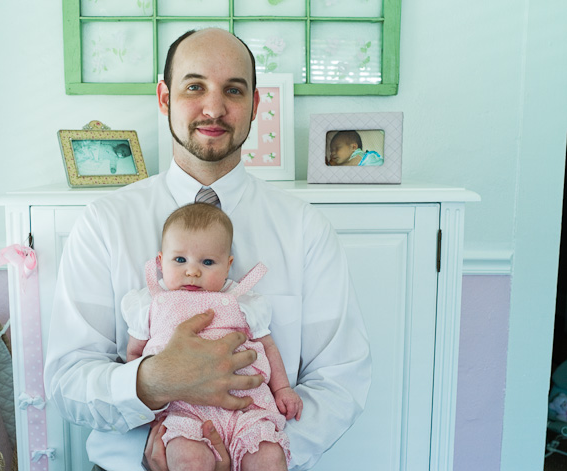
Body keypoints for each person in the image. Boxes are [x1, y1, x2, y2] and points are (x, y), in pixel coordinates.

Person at [44, 27, 371, 471]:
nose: (214, 108)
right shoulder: (103, 223)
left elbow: (340, 379)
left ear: (255, 106)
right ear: (164, 98)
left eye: (233, 91)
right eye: (194, 86)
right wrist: (152, 381)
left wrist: (256, 449)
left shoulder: (305, 229)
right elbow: (67, 380)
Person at [122, 202, 302, 471]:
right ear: (160, 262)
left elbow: (267, 346)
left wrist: (282, 389)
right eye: (180, 260)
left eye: (207, 262)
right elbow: (135, 355)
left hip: (248, 406)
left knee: (269, 458)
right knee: (188, 460)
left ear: (228, 265)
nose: (192, 271)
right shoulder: (148, 303)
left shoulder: (245, 302)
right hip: (185, 408)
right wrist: (142, 401)